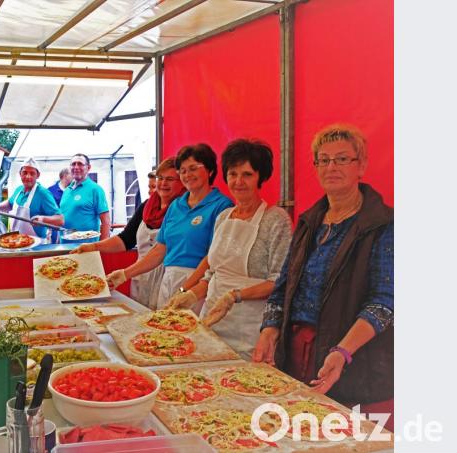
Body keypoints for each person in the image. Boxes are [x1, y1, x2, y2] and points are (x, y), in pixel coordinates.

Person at [253, 124, 394, 429]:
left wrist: (343, 351)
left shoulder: (383, 224)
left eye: (342, 159)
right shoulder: (309, 221)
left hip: (353, 357)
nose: (332, 166)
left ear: (362, 166)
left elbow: (385, 302)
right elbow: (284, 285)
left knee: (342, 436)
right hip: (298, 352)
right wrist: (270, 328)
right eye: (324, 160)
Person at [166, 139, 292, 359]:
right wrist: (189, 295)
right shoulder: (224, 217)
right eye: (233, 174)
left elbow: (279, 281)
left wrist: (235, 296)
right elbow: (212, 272)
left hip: (249, 329)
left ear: (261, 177)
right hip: (211, 319)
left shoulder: (277, 219)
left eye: (247, 174)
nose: (238, 181)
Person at [106, 144, 233, 309]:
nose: (187, 175)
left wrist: (185, 289)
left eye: (193, 168)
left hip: (198, 285)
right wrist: (124, 274)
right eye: (183, 170)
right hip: (168, 279)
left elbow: (212, 257)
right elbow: (160, 250)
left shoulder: (222, 206)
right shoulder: (176, 206)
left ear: (210, 170)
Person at [71, 157, 185, 308]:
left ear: (182, 181)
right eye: (160, 178)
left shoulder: (183, 210)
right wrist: (93, 246)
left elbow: (162, 251)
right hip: (140, 277)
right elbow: (126, 239)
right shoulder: (147, 206)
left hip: (168, 279)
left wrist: (125, 273)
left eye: (170, 179)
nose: (163, 183)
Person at [0, 157, 63, 239]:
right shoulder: (19, 190)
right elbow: (10, 204)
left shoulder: (43, 193)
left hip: (36, 246)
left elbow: (60, 220)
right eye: (25, 173)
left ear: (38, 175)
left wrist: (43, 219)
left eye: (32, 173)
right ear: (20, 174)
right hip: (16, 242)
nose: (28, 176)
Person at [59, 153, 110, 242]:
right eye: (73, 164)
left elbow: (106, 222)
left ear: (88, 168)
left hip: (87, 248)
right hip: (64, 247)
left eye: (80, 164)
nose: (76, 167)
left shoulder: (95, 189)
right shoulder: (67, 190)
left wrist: (102, 247)